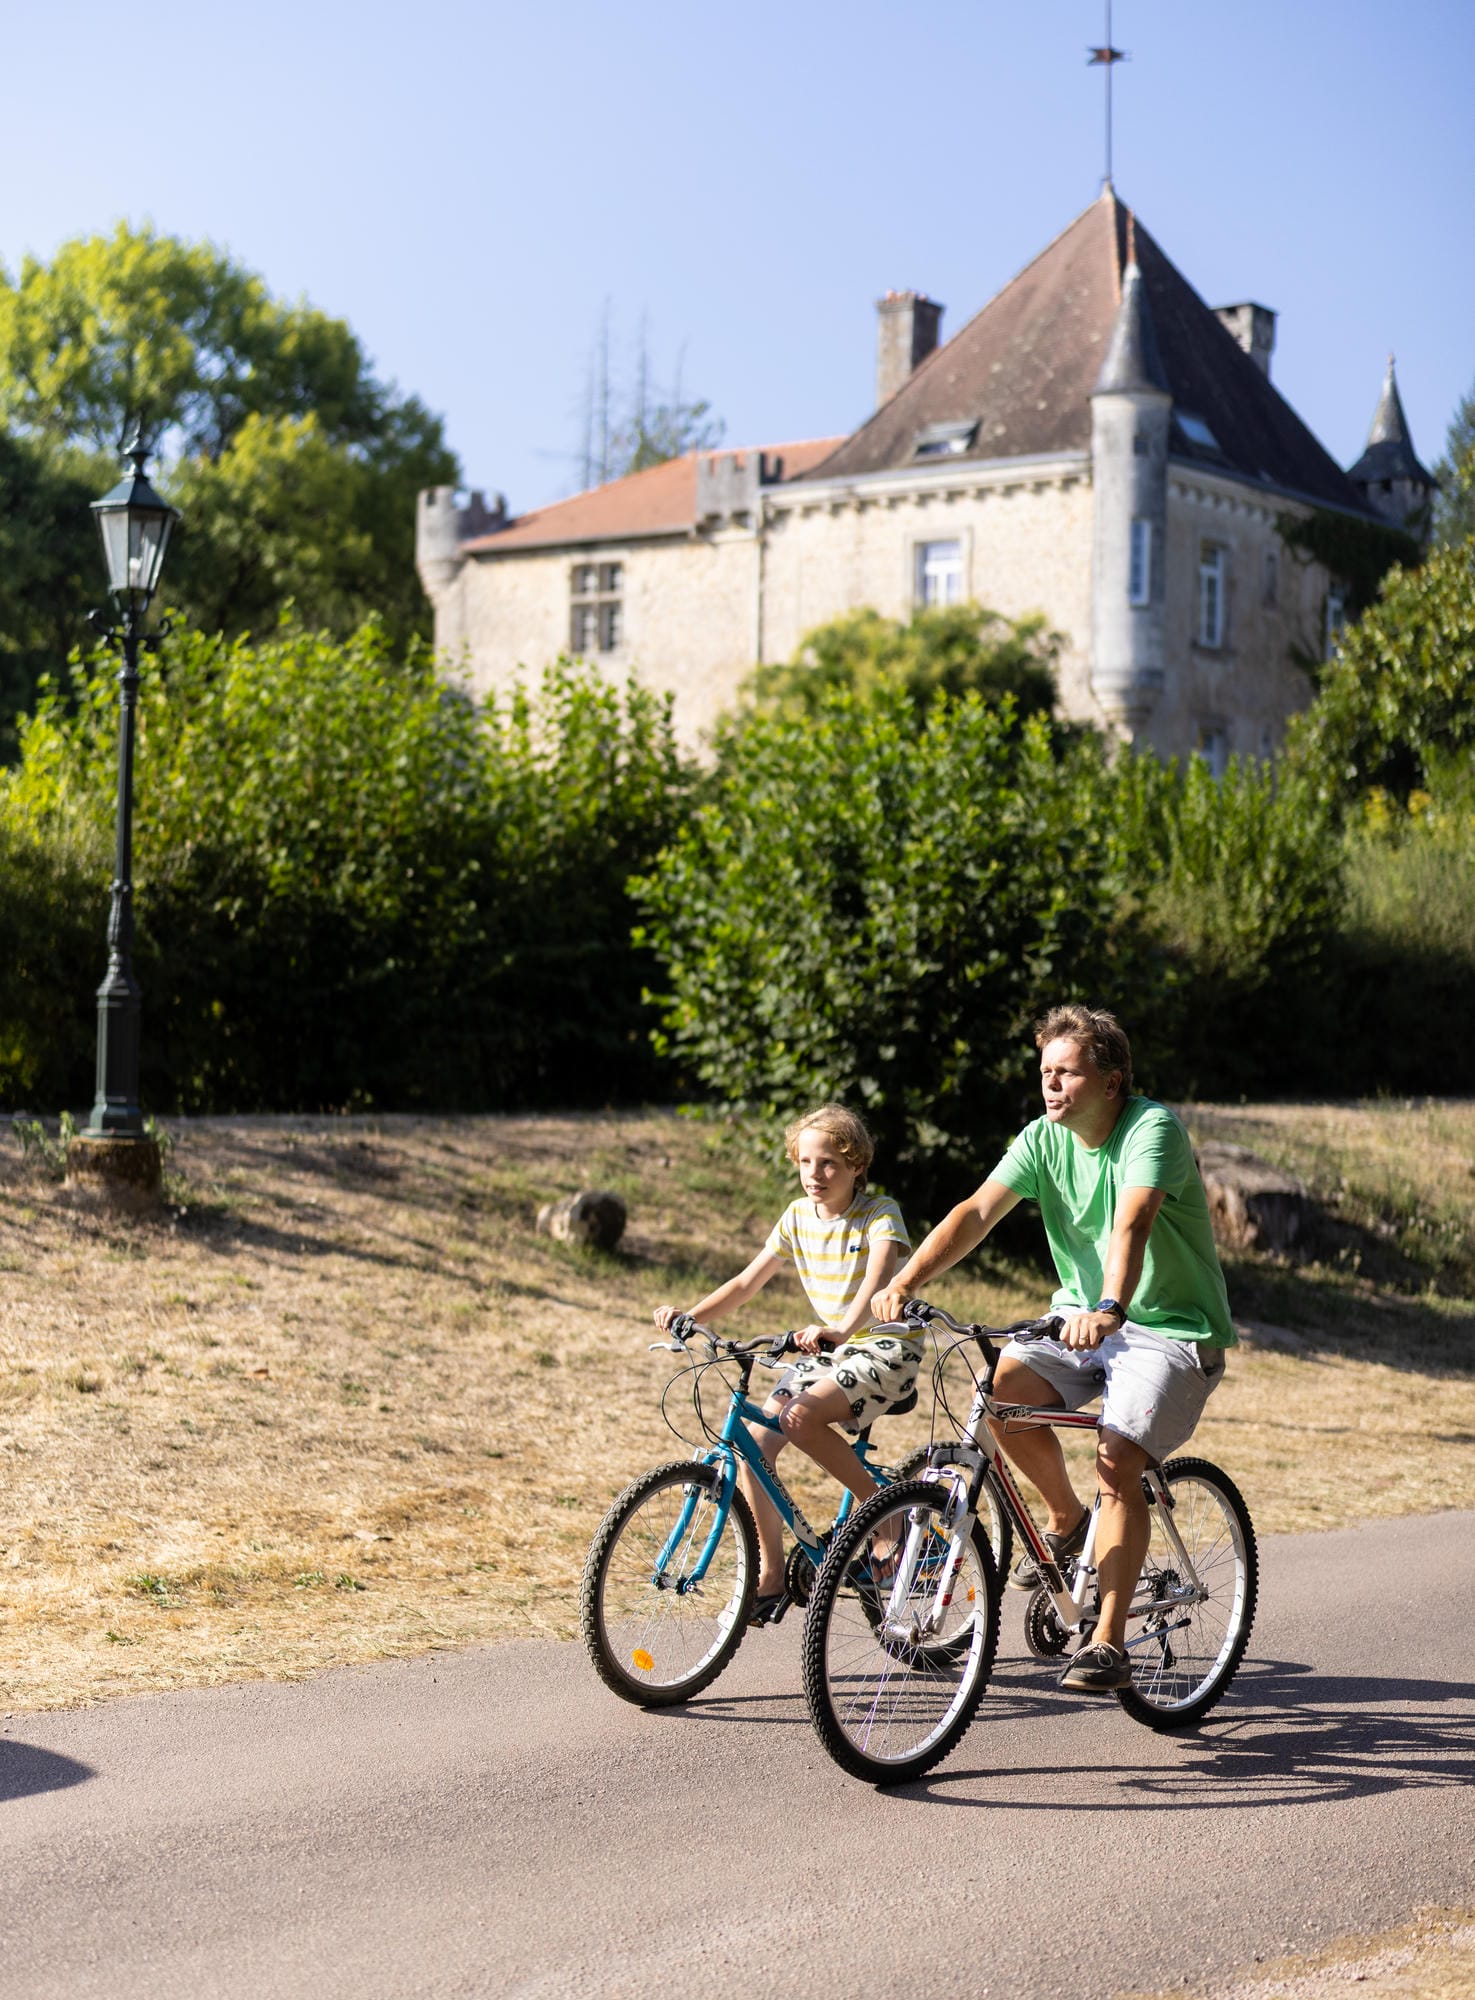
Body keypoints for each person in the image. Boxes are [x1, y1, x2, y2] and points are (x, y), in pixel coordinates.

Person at [873, 1004, 1234, 1693]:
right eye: (1045, 1072)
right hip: (1079, 1318)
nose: (1050, 1085)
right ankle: (1067, 1520)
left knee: (1117, 1459)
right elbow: (975, 1212)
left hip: (1170, 1328)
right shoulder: (1042, 1139)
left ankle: (1107, 1641)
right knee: (1002, 1394)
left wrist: (1108, 1307)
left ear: (1110, 1081)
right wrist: (906, 1279)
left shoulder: (1149, 1129)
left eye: (1066, 1072)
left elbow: (1131, 1223)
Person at [653, 1104, 915, 1624]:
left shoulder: (879, 1213)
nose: (815, 1175)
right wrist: (690, 1316)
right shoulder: (797, 1216)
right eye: (805, 1163)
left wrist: (842, 1328)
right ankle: (770, 1576)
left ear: (856, 1166)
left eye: (829, 1164)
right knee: (754, 1446)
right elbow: (747, 1283)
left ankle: (890, 1519)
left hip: (882, 1348)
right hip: (825, 1351)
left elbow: (877, 1282)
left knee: (797, 1418)